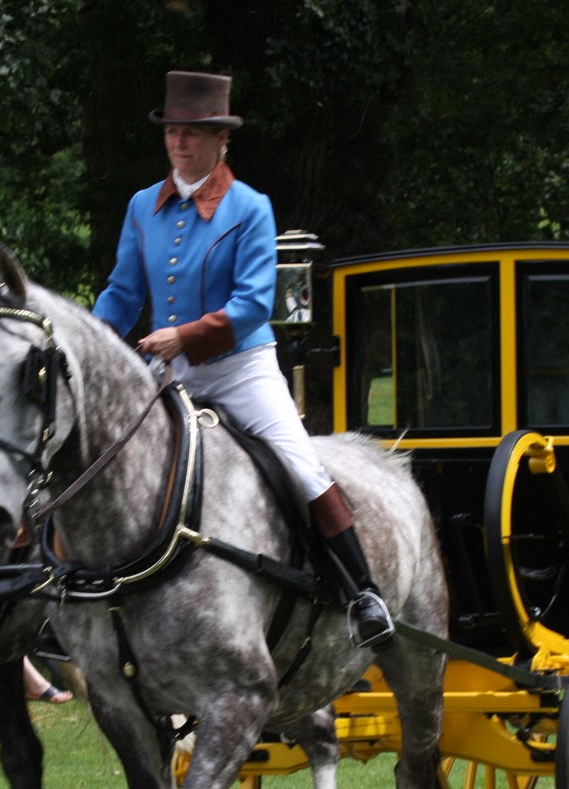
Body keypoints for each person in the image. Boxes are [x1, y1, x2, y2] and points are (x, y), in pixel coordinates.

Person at [90, 69, 393, 648]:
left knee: (301, 466)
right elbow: (123, 294)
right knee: (100, 454)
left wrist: (183, 336)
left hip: (240, 370)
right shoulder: (141, 206)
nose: (179, 142)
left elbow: (253, 304)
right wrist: (89, 346)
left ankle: (363, 594)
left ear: (222, 140)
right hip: (170, 374)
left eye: (192, 133)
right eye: (172, 131)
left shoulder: (251, 208)